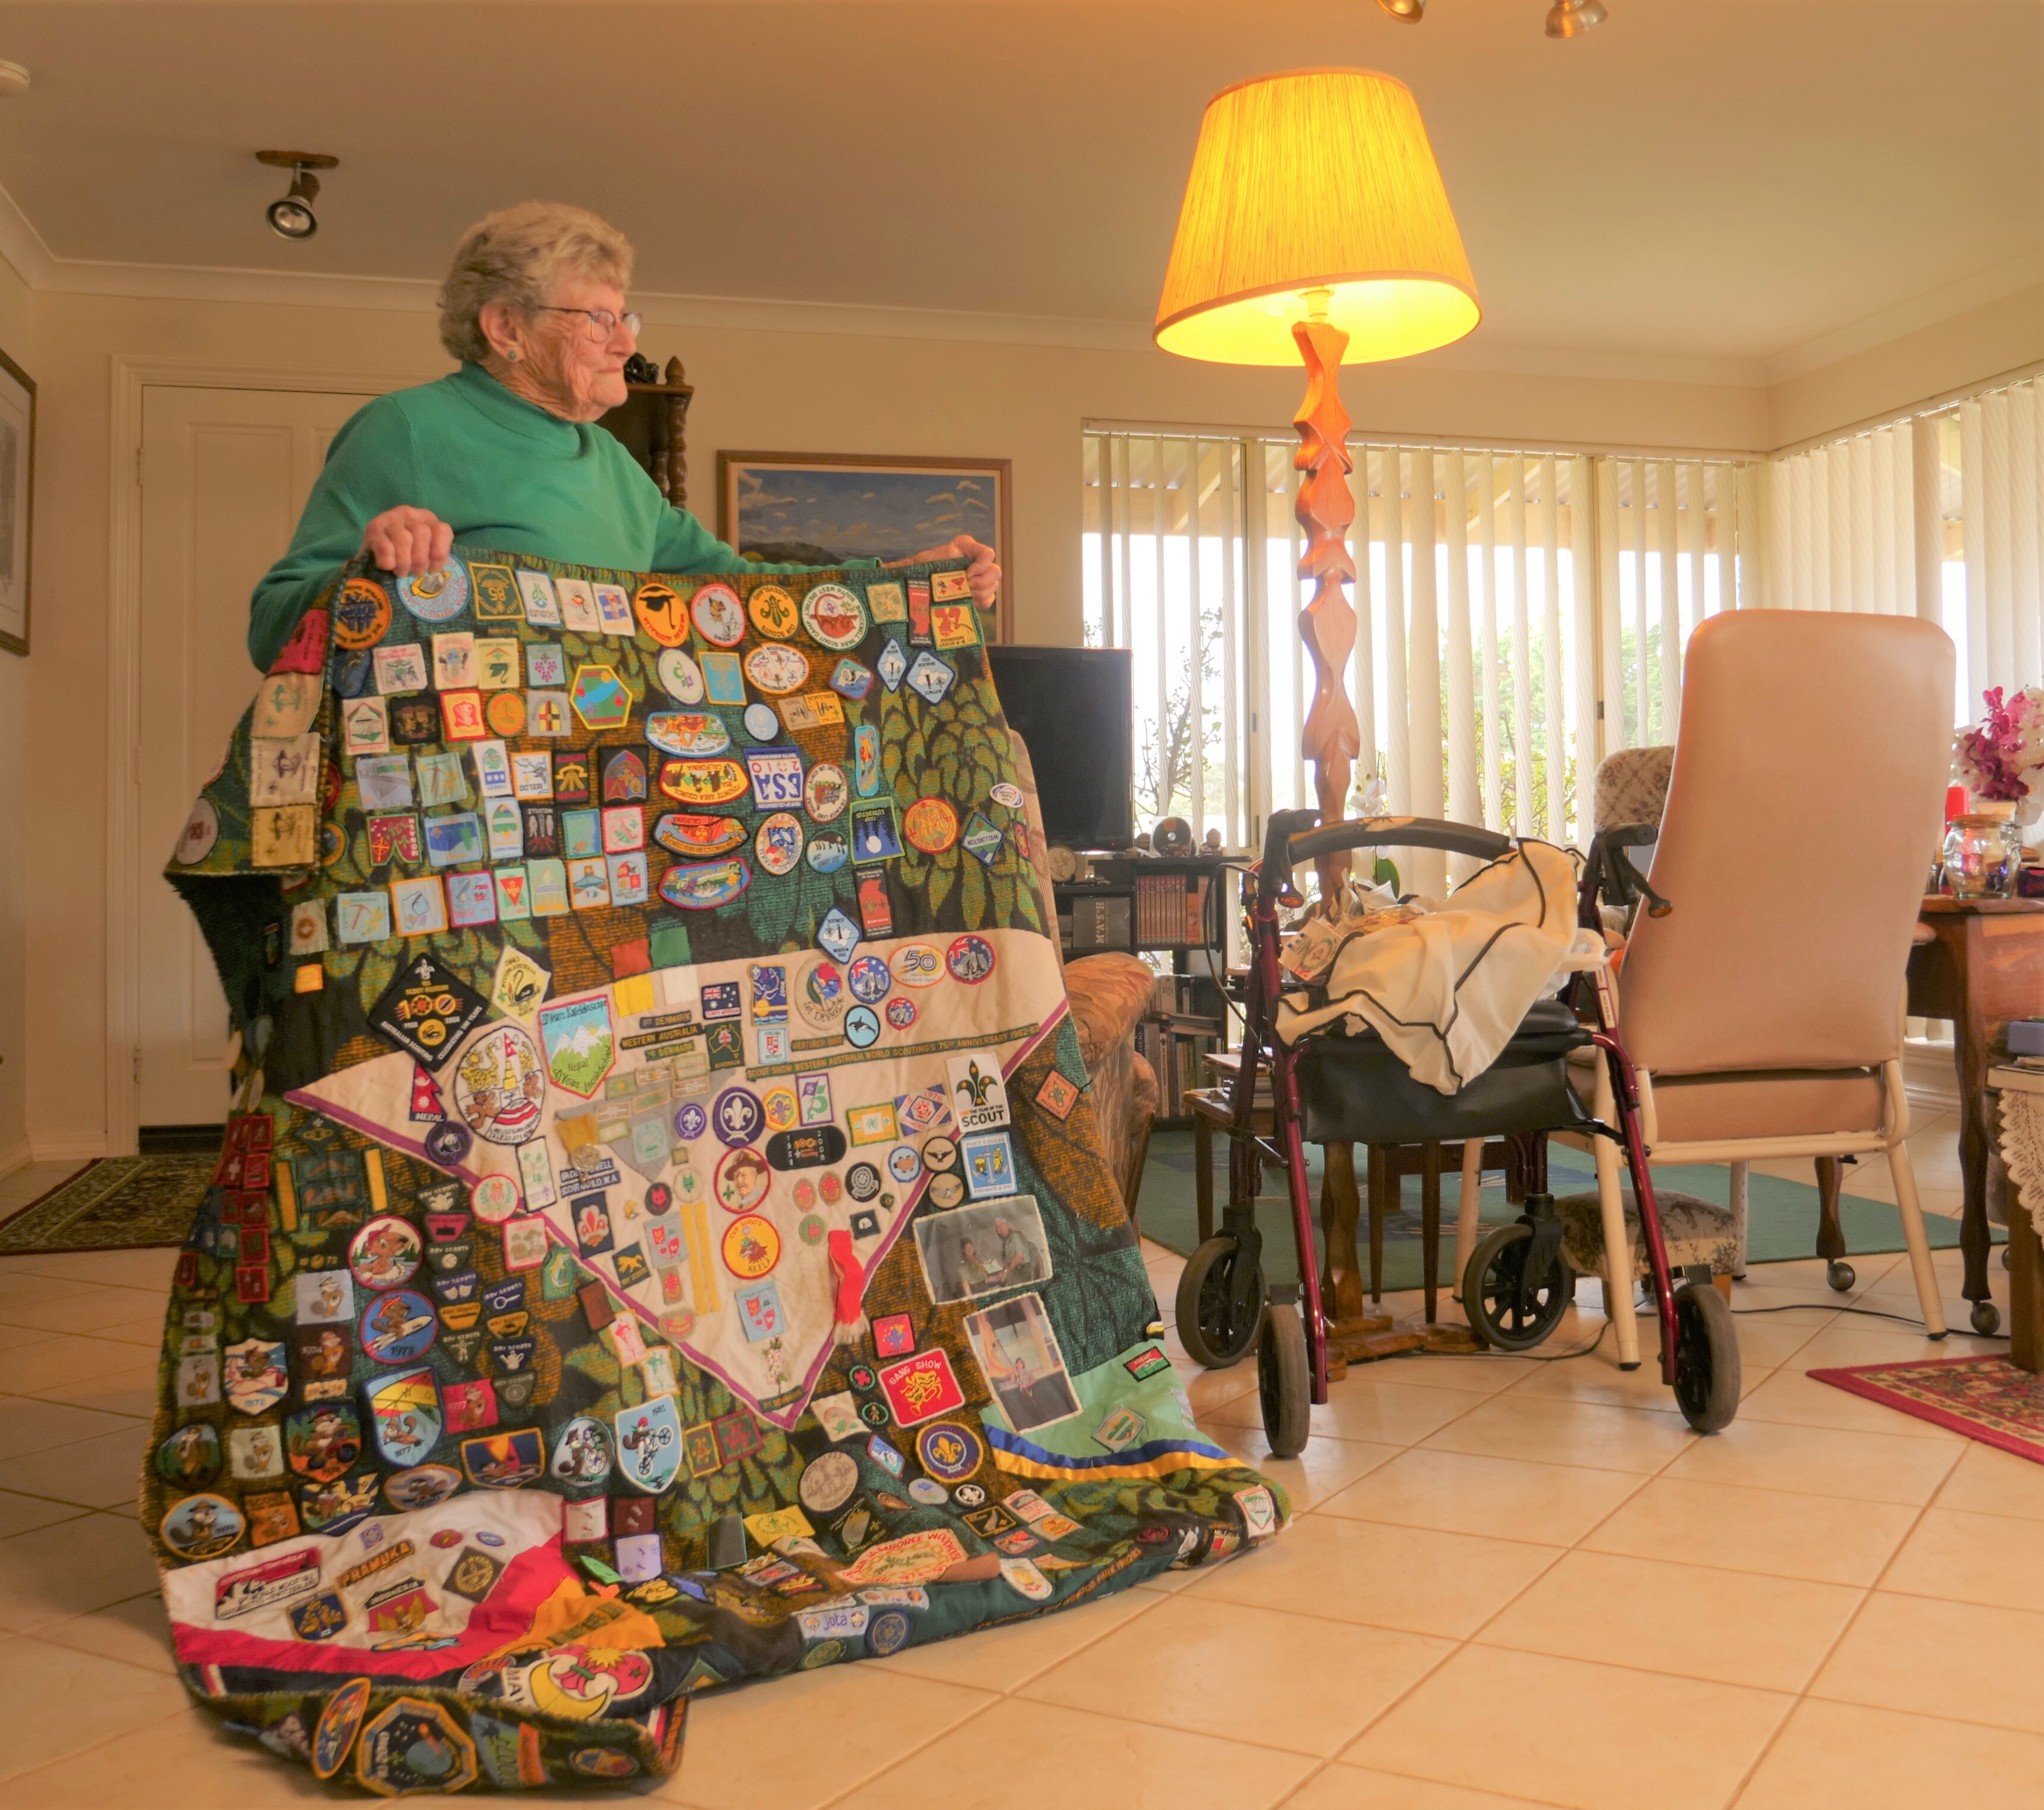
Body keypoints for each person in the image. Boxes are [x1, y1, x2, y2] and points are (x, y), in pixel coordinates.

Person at [247, 201, 1000, 670]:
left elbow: (739, 589)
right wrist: (367, 563)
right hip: (463, 818)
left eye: (626, 318)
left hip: (609, 801)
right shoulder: (406, 428)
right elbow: (273, 629)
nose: (624, 343)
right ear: (506, 327)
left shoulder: (606, 459)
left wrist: (907, 575)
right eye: (598, 319)